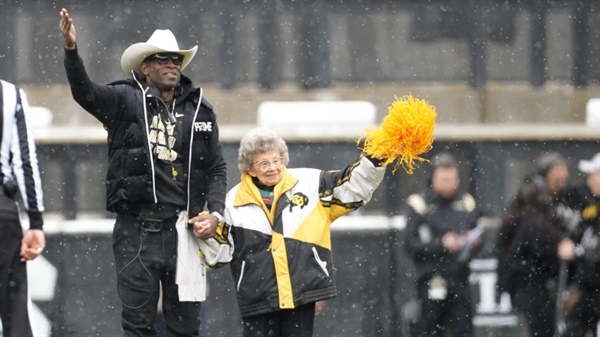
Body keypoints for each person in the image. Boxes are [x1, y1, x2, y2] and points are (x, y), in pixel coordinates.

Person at [59, 9, 228, 337]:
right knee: (138, 327)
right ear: (144, 68)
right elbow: (85, 92)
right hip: (137, 231)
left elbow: (217, 167)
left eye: (177, 60)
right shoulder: (124, 99)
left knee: (187, 328)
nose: (172, 65)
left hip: (185, 231)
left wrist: (216, 213)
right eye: (163, 59)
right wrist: (71, 51)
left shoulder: (200, 110)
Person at [222, 127, 388, 337]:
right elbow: (216, 254)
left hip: (301, 296)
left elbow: (353, 187)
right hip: (257, 299)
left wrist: (375, 159)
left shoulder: (310, 182)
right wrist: (205, 230)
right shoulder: (231, 200)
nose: (273, 168)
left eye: (277, 160)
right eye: (263, 163)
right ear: (249, 169)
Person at [404, 152, 482, 337]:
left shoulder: (466, 202)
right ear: (432, 179)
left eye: (452, 178)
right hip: (431, 278)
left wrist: (473, 241)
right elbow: (410, 243)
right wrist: (440, 244)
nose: (448, 183)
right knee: (430, 329)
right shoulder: (419, 204)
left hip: (459, 278)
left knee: (463, 328)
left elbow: (479, 233)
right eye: (443, 179)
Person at [0, 79, 46, 337]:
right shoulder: (9, 94)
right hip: (3, 211)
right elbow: (25, 161)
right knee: (15, 314)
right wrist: (36, 223)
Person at [496, 174, 560, 337]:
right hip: (533, 285)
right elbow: (544, 254)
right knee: (541, 330)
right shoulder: (532, 222)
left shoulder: (513, 217)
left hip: (523, 285)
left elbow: (503, 254)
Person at [558, 152, 600, 337]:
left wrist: (577, 250)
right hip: (591, 291)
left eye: (593, 175)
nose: (589, 181)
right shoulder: (593, 207)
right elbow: (584, 232)